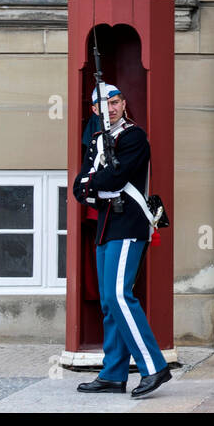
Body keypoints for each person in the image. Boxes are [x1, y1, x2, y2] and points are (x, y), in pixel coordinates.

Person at [73, 82, 172, 398]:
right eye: (104, 104)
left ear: (123, 104)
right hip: (106, 225)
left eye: (115, 102)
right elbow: (80, 187)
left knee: (119, 295)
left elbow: (115, 178)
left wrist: (94, 184)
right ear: (94, 110)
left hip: (129, 222)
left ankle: (154, 367)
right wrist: (94, 184)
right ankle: (114, 374)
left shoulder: (133, 137)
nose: (111, 108)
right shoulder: (97, 141)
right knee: (108, 301)